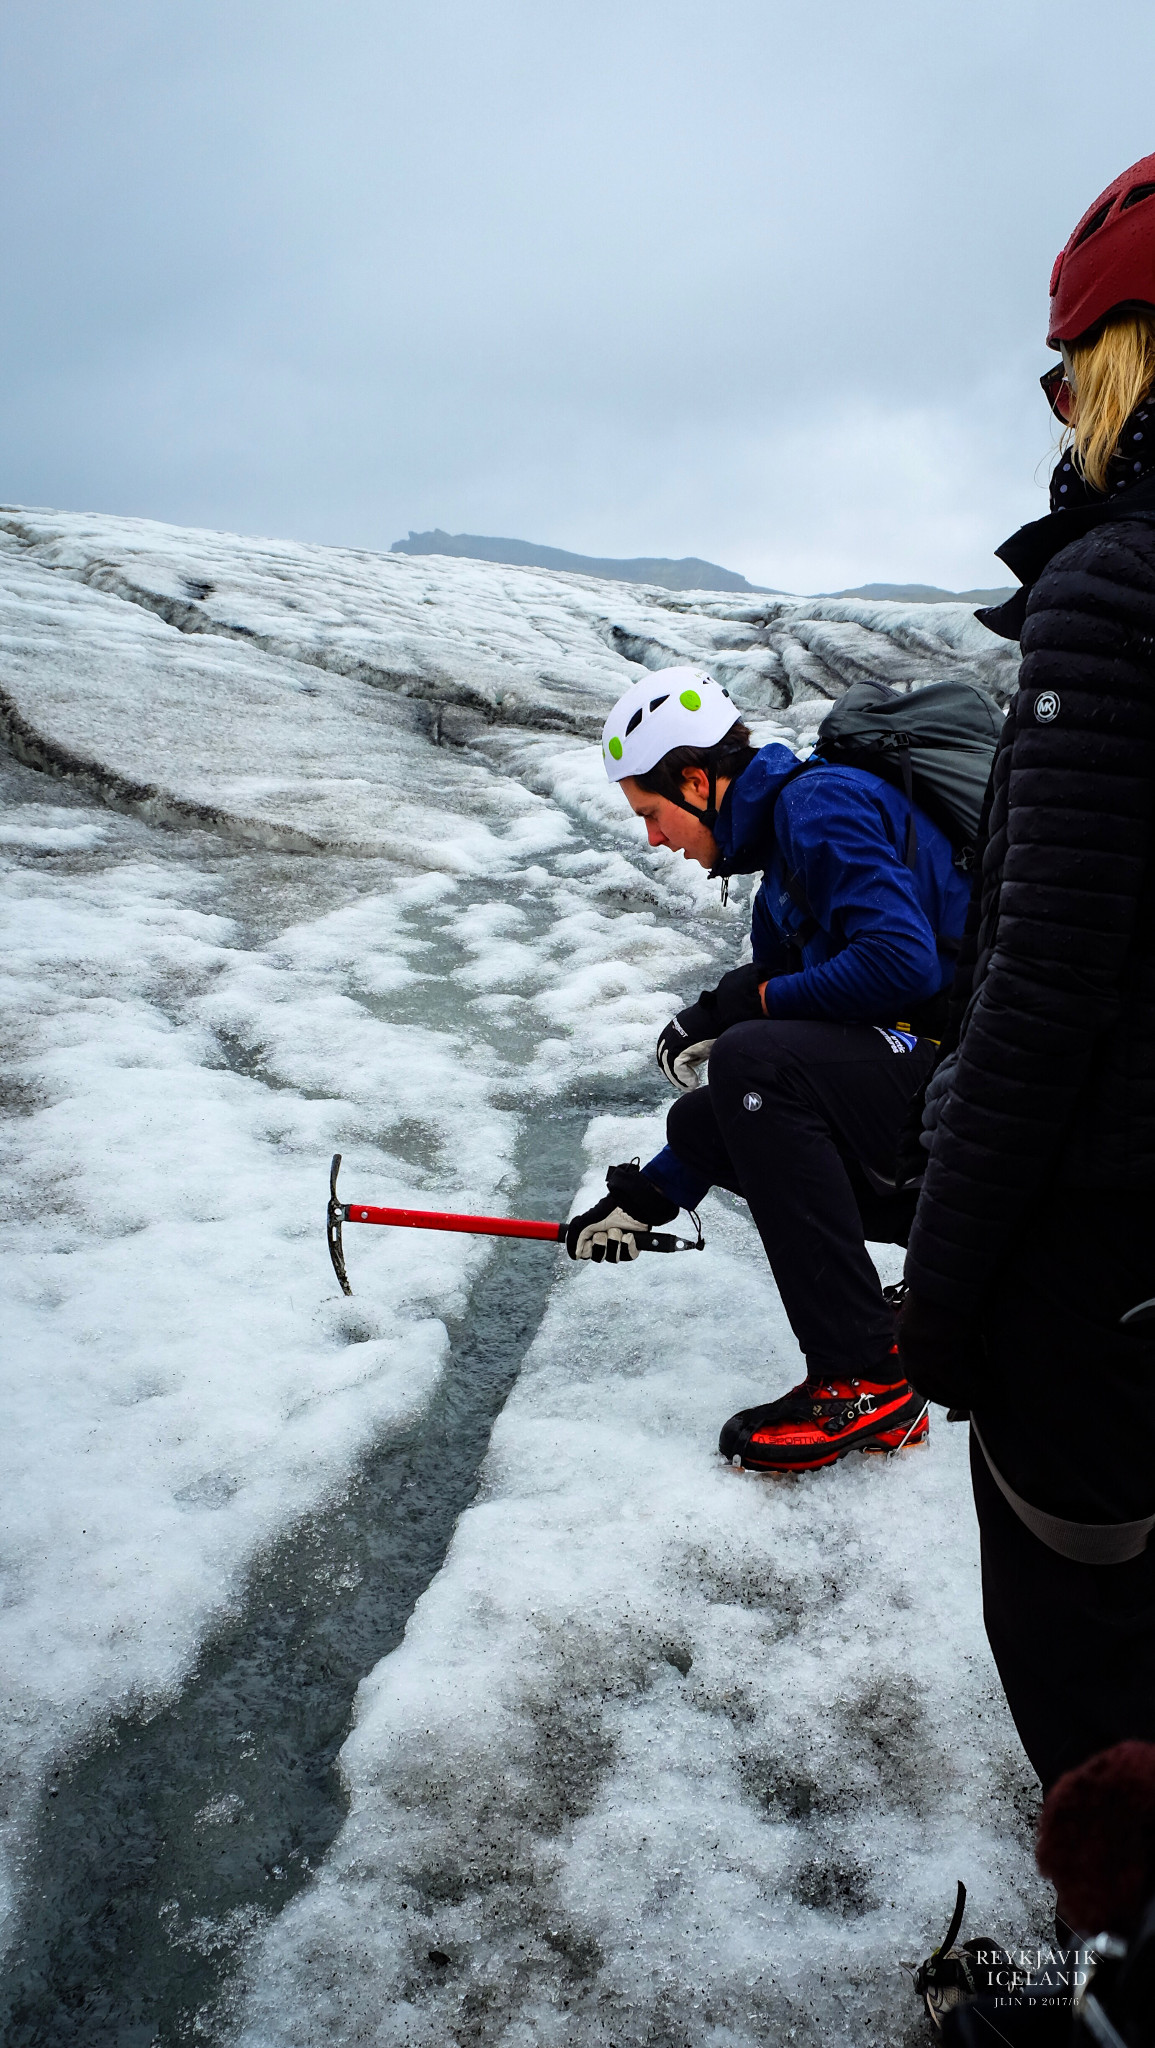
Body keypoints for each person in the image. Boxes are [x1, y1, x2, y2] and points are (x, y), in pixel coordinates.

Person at [897, 151, 1155, 1796]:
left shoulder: (1112, 596)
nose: (1057, 407)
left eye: (1069, 371)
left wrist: (939, 1289)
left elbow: (1038, 997)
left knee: (1083, 1647)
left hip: (1105, 1267)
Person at [566, 666, 971, 1469]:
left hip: (978, 1097)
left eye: (651, 813)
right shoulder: (778, 871)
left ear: (694, 779)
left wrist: (740, 1005)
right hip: (930, 1106)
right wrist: (646, 1198)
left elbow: (903, 967)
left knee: (752, 1062)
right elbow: (774, 1038)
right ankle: (911, 1312)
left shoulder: (819, 806)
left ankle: (865, 1380)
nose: (653, 838)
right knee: (711, 1106)